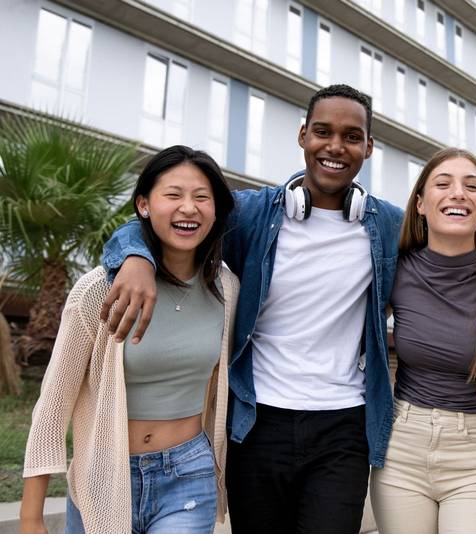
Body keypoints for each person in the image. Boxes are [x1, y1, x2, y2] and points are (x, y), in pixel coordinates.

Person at [98, 85, 402, 533]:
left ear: (369, 147)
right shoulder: (251, 213)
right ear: (303, 136)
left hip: (343, 427)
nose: (335, 146)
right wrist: (136, 257)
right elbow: (166, 220)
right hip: (256, 423)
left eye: (352, 136)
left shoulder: (388, 225)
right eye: (323, 131)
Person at [19, 145, 238, 534]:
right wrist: (31, 517)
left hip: (188, 474)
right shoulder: (95, 291)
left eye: (201, 197)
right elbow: (54, 404)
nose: (189, 208)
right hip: (102, 473)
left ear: (216, 210)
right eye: (173, 195)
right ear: (143, 205)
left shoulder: (227, 289)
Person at [369, 147, 476, 533]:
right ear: (420, 203)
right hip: (401, 447)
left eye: (472, 186)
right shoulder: (396, 268)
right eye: (443, 183)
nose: (458, 193)